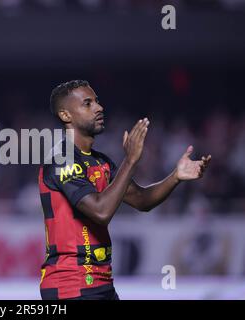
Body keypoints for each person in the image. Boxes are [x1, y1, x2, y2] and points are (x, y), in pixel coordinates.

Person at [38, 80, 211, 300]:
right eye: (87, 104)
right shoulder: (62, 159)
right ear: (65, 115)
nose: (99, 108)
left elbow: (142, 200)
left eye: (97, 102)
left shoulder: (100, 162)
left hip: (100, 283)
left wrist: (175, 177)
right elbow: (101, 212)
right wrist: (130, 161)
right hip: (70, 286)